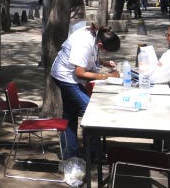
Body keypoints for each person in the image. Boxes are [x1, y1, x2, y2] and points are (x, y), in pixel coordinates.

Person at [51, 25, 121, 158]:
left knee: (70, 113)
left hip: (70, 76)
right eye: (105, 50)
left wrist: (105, 63)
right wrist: (107, 76)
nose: (103, 51)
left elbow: (90, 57)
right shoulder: (84, 43)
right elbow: (80, 72)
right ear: (100, 44)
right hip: (65, 77)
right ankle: (93, 153)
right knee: (90, 111)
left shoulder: (96, 35)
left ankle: (70, 153)